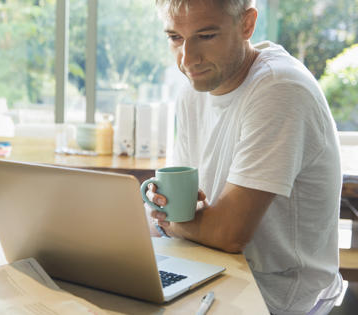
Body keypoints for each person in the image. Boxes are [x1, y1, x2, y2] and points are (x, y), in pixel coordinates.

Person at [144, 0, 343, 314]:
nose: (187, 59)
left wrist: (170, 222)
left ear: (247, 24)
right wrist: (171, 216)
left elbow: (228, 234)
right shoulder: (193, 90)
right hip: (212, 266)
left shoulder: (281, 89)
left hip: (279, 293)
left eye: (206, 36)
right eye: (175, 38)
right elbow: (183, 209)